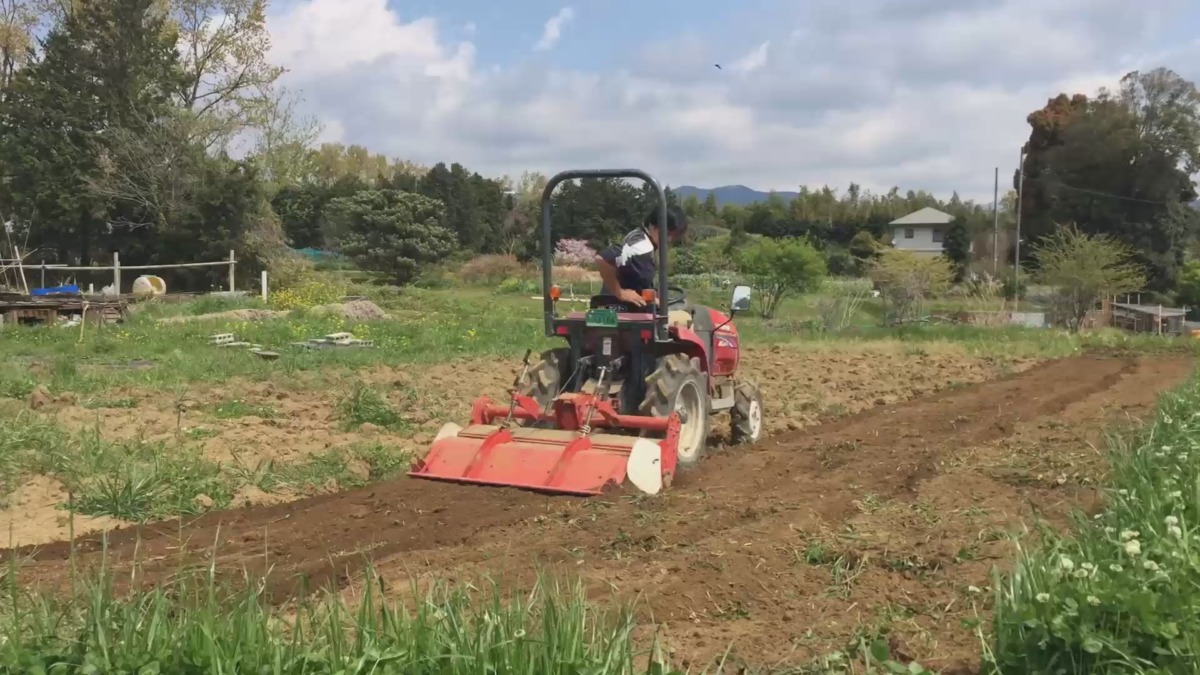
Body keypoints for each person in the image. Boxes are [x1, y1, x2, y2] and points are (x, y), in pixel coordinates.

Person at [595, 207, 687, 307]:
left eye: (674, 235)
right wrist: (620, 292)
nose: (669, 239)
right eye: (667, 234)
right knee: (683, 308)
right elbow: (602, 259)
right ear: (652, 225)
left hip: (629, 305)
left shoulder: (640, 236)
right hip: (623, 309)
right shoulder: (642, 247)